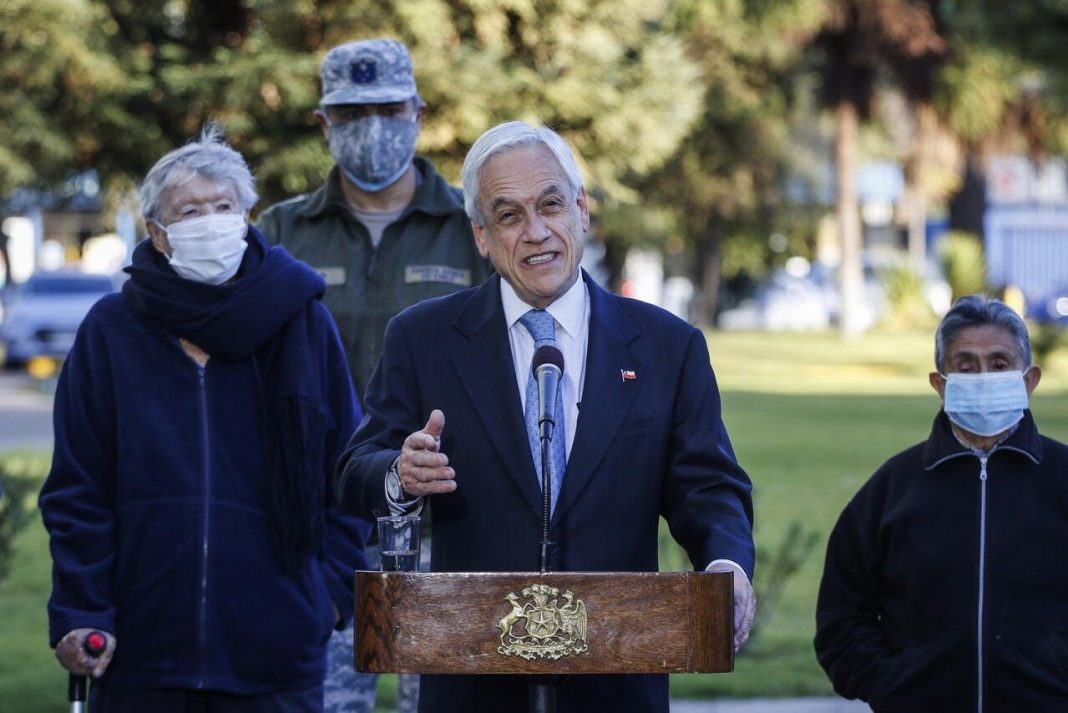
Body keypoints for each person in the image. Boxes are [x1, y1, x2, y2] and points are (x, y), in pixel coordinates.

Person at [336, 120, 756, 713]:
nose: (536, 232)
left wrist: (726, 565)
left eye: (551, 205)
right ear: (481, 236)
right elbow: (355, 468)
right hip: (472, 683)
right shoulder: (423, 337)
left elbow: (708, 488)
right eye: (508, 215)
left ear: (581, 210)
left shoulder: (668, 345)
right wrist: (398, 475)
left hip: (616, 682)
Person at [39, 125, 368, 712]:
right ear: (157, 234)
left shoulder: (302, 324)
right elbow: (78, 490)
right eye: (190, 211)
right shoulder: (111, 331)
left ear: (246, 217)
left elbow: (347, 473)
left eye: (223, 207)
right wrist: (81, 609)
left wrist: (328, 597)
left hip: (276, 659)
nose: (211, 222)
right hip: (140, 655)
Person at [257, 37, 491, 713]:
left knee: (445, 703)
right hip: (323, 527)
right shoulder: (282, 231)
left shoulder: (471, 227)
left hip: (449, 524)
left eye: (387, 109)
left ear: (418, 113)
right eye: (352, 113)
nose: (372, 127)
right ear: (323, 123)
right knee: (321, 703)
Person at [814, 294, 1068, 711]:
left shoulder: (1061, 480)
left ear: (1029, 380)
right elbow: (840, 620)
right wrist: (892, 687)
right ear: (940, 384)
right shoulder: (892, 489)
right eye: (966, 366)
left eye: (999, 364)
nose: (983, 376)